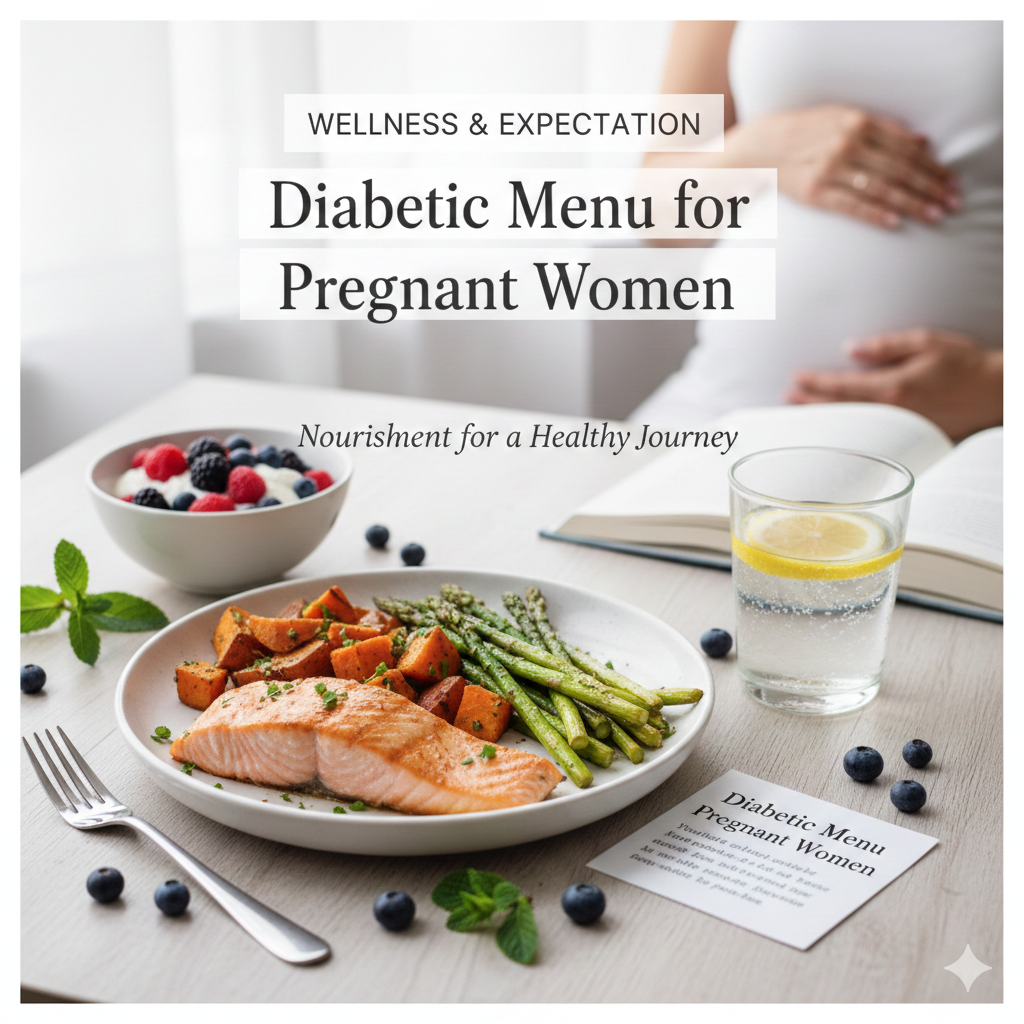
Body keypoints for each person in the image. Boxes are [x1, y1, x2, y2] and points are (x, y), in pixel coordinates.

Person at [632, 21, 1002, 442]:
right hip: (718, 412)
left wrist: (997, 386)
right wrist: (757, 150)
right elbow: (654, 216)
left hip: (973, 438)